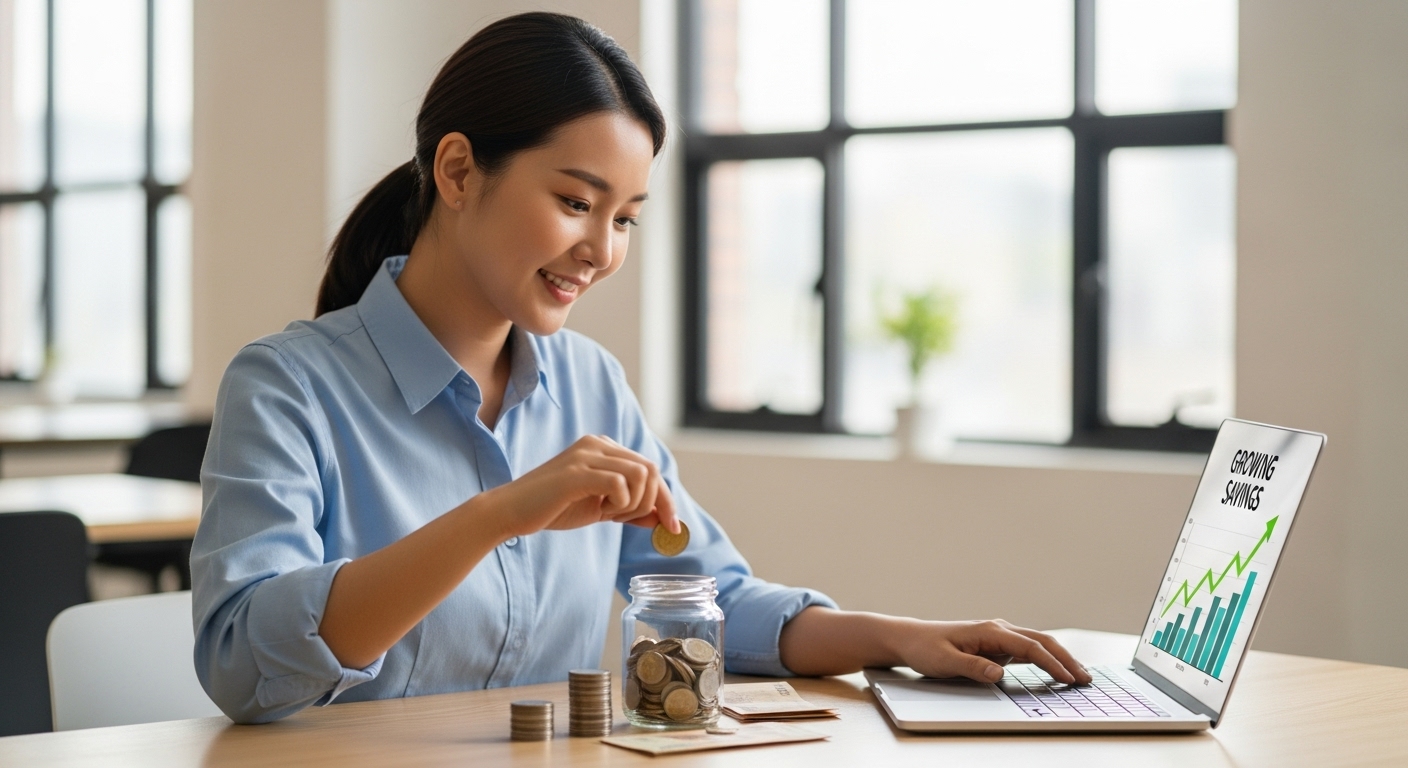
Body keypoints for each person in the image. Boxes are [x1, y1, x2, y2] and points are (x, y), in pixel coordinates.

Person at [191, 12, 1090, 725]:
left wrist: (902, 639)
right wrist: (501, 515)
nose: (601, 249)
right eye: (574, 201)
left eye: (624, 217)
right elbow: (243, 666)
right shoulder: (286, 386)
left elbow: (710, 596)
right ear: (458, 171)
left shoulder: (590, 383)